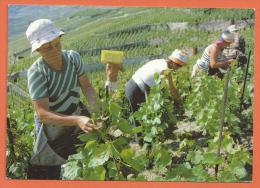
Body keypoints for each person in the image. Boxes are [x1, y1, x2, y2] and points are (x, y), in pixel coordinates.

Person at [25, 19, 99, 179]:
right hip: (51, 126)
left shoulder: (73, 58)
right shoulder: (37, 72)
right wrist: (77, 120)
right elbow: (42, 114)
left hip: (74, 114)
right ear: (38, 50)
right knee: (51, 166)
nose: (54, 49)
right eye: (47, 47)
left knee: (78, 155)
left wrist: (97, 109)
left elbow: (87, 88)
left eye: (56, 43)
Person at [125, 49, 189, 113]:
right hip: (135, 90)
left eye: (181, 66)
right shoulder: (164, 69)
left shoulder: (160, 61)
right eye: (178, 65)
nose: (178, 68)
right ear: (172, 61)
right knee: (137, 119)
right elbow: (172, 89)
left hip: (135, 87)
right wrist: (180, 104)